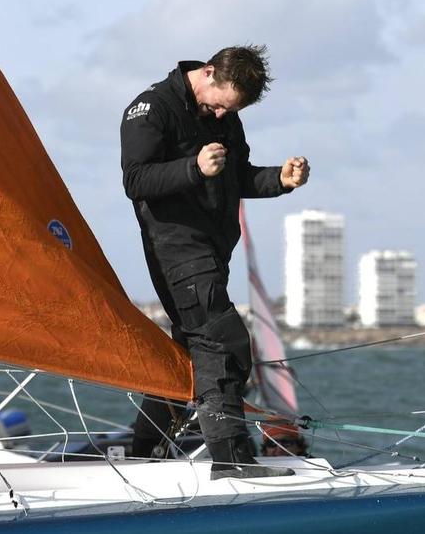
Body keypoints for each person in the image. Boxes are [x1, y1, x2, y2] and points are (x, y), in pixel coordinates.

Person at [120, 45, 309, 480]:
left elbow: (237, 177)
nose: (223, 115)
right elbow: (136, 179)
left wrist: (280, 179)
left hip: (212, 250)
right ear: (208, 73)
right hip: (176, 249)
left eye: (232, 110)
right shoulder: (150, 108)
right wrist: (193, 167)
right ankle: (232, 461)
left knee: (191, 353)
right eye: (222, 104)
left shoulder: (224, 116)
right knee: (223, 342)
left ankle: (144, 455)